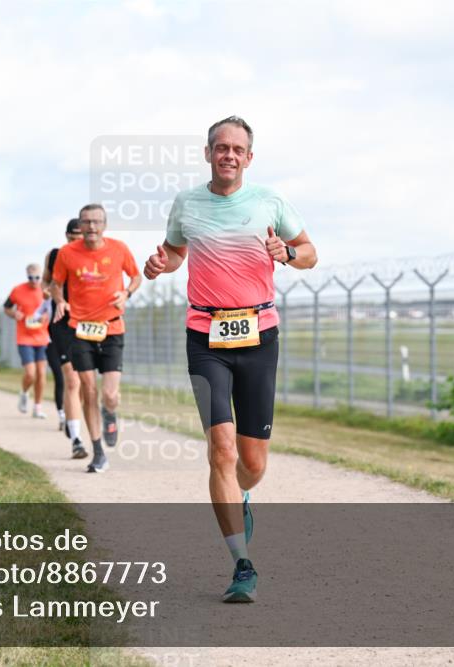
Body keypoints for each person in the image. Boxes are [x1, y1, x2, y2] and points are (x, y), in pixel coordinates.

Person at [143, 116, 317, 603]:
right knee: (220, 451)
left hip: (259, 336)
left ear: (249, 157)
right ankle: (242, 563)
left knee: (252, 464)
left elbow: (310, 253)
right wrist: (159, 266)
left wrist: (286, 252)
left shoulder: (270, 202)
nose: (229, 155)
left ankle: (242, 493)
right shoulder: (187, 203)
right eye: (221, 147)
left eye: (238, 149)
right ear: (207, 153)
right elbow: (175, 252)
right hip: (205, 337)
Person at [51, 204, 142, 472]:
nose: (91, 227)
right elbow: (56, 284)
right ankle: (98, 451)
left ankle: (110, 412)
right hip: (80, 329)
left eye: (96, 222)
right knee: (88, 390)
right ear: (80, 224)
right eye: (86, 222)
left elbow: (136, 276)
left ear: (105, 224)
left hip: (112, 328)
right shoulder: (67, 253)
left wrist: (126, 293)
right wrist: (60, 301)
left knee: (110, 394)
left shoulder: (119, 249)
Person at [44, 219, 87, 458]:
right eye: (71, 238)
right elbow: (46, 281)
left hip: (89, 323)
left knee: (85, 381)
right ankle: (77, 440)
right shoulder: (55, 256)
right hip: (62, 323)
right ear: (66, 237)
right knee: (72, 380)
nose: (75, 243)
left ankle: (76, 420)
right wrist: (52, 294)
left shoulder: (94, 257)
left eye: (79, 239)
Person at [4, 264, 51, 419]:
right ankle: (24, 393)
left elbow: (51, 308)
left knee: (41, 373)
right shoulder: (18, 290)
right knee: (30, 374)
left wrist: (46, 316)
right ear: (27, 276)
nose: (34, 281)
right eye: (30, 278)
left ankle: (37, 408)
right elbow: (7, 308)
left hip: (42, 336)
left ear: (41, 276)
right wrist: (14, 314)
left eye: (37, 277)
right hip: (24, 337)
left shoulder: (46, 290)